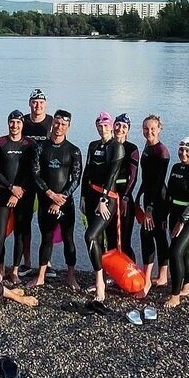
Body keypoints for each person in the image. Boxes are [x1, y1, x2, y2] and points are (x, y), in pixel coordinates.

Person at [28, 110, 82, 290]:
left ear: (68, 127)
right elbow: (35, 174)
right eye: (57, 123)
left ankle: (71, 277)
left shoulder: (74, 150)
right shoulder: (40, 147)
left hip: (66, 203)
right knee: (46, 238)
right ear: (52, 124)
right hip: (46, 201)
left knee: (68, 239)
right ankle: (41, 276)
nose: (59, 127)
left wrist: (61, 199)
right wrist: (50, 195)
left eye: (63, 124)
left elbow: (76, 179)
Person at [81, 112, 124, 302]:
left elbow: (112, 174)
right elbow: (87, 172)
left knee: (89, 236)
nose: (103, 128)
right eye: (99, 125)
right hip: (91, 196)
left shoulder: (117, 147)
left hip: (107, 199)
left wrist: (104, 199)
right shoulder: (93, 145)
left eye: (106, 125)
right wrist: (83, 196)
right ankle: (102, 278)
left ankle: (100, 284)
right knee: (97, 239)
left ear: (112, 126)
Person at [162, 137, 189, 309]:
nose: (184, 153)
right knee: (184, 252)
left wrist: (182, 220)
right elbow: (169, 194)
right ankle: (186, 288)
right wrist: (165, 215)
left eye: (187, 150)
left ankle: (175, 296)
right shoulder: (175, 167)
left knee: (175, 252)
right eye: (181, 149)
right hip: (175, 214)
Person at [0, 110, 33, 284]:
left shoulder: (29, 144)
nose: (14, 126)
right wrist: (10, 187)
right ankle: (0, 269)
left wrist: (19, 191)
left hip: (23, 195)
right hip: (4, 193)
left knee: (20, 234)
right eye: (12, 122)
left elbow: (31, 171)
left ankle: (15, 270)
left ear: (23, 124)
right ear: (8, 123)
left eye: (18, 122)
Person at [20, 88, 54, 275]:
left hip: (45, 178)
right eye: (34, 102)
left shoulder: (51, 122)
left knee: (46, 220)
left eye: (41, 102)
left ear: (45, 104)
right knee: (25, 220)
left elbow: (59, 146)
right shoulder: (23, 121)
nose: (37, 106)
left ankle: (46, 262)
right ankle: (26, 262)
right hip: (26, 178)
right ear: (29, 104)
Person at [136, 115, 170, 295]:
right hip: (148, 195)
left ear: (159, 129)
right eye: (146, 128)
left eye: (152, 129)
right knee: (155, 235)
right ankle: (161, 276)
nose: (149, 132)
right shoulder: (147, 147)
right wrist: (137, 197)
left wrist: (149, 208)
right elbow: (146, 178)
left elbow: (157, 181)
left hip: (159, 199)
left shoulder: (162, 152)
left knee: (149, 234)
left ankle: (149, 279)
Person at [105, 113, 140, 262]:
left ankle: (130, 269)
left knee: (124, 240)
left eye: (124, 126)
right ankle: (112, 270)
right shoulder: (108, 145)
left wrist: (125, 197)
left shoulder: (132, 148)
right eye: (118, 125)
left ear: (128, 130)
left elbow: (133, 176)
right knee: (110, 238)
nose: (120, 129)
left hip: (124, 196)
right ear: (113, 126)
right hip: (109, 195)